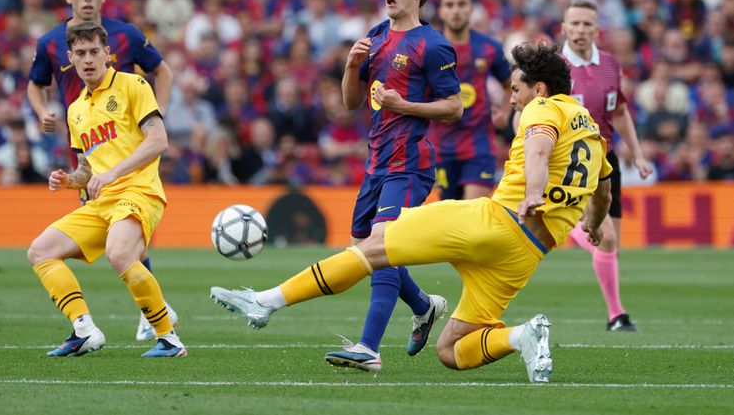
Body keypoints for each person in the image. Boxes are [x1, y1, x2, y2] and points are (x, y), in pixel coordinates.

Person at [210, 42, 613, 383]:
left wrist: (533, 193)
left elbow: (539, 149)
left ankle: (267, 302)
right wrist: (593, 226)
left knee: (373, 246)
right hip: (525, 255)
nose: (512, 98)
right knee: (450, 350)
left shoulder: (541, 108)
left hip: (495, 222)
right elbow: (604, 194)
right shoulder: (593, 133)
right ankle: (522, 336)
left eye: (516, 89)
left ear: (539, 88)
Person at [252, 0, 463, 373]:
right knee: (364, 249)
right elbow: (351, 103)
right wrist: (351, 67)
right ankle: (423, 307)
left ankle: (369, 347)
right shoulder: (376, 37)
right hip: (376, 162)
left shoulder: (434, 45)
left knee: (381, 245)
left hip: (410, 163)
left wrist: (404, 105)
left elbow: (454, 107)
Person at [26, 0, 176, 341]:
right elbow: (35, 85)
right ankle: (98, 325)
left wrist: (155, 114)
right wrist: (43, 115)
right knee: (100, 242)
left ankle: (157, 321)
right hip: (89, 148)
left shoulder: (127, 37)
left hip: (128, 154)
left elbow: (163, 71)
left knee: (122, 244)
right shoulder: (50, 44)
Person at [560, 0, 654, 332]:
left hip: (607, 158)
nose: (580, 30)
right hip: (572, 160)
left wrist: (638, 154)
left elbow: (620, 111)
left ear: (597, 29)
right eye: (575, 23)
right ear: (564, 28)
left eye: (587, 24)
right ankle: (617, 315)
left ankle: (569, 226)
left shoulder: (611, 65)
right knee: (606, 238)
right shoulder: (556, 68)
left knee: (612, 245)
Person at [430, 0, 511, 200]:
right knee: (451, 214)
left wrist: (504, 112)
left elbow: (509, 84)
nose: (456, 10)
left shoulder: (489, 47)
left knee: (473, 212)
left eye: (461, 4)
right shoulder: (429, 48)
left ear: (471, 9)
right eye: (449, 5)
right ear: (441, 11)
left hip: (479, 144)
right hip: (442, 146)